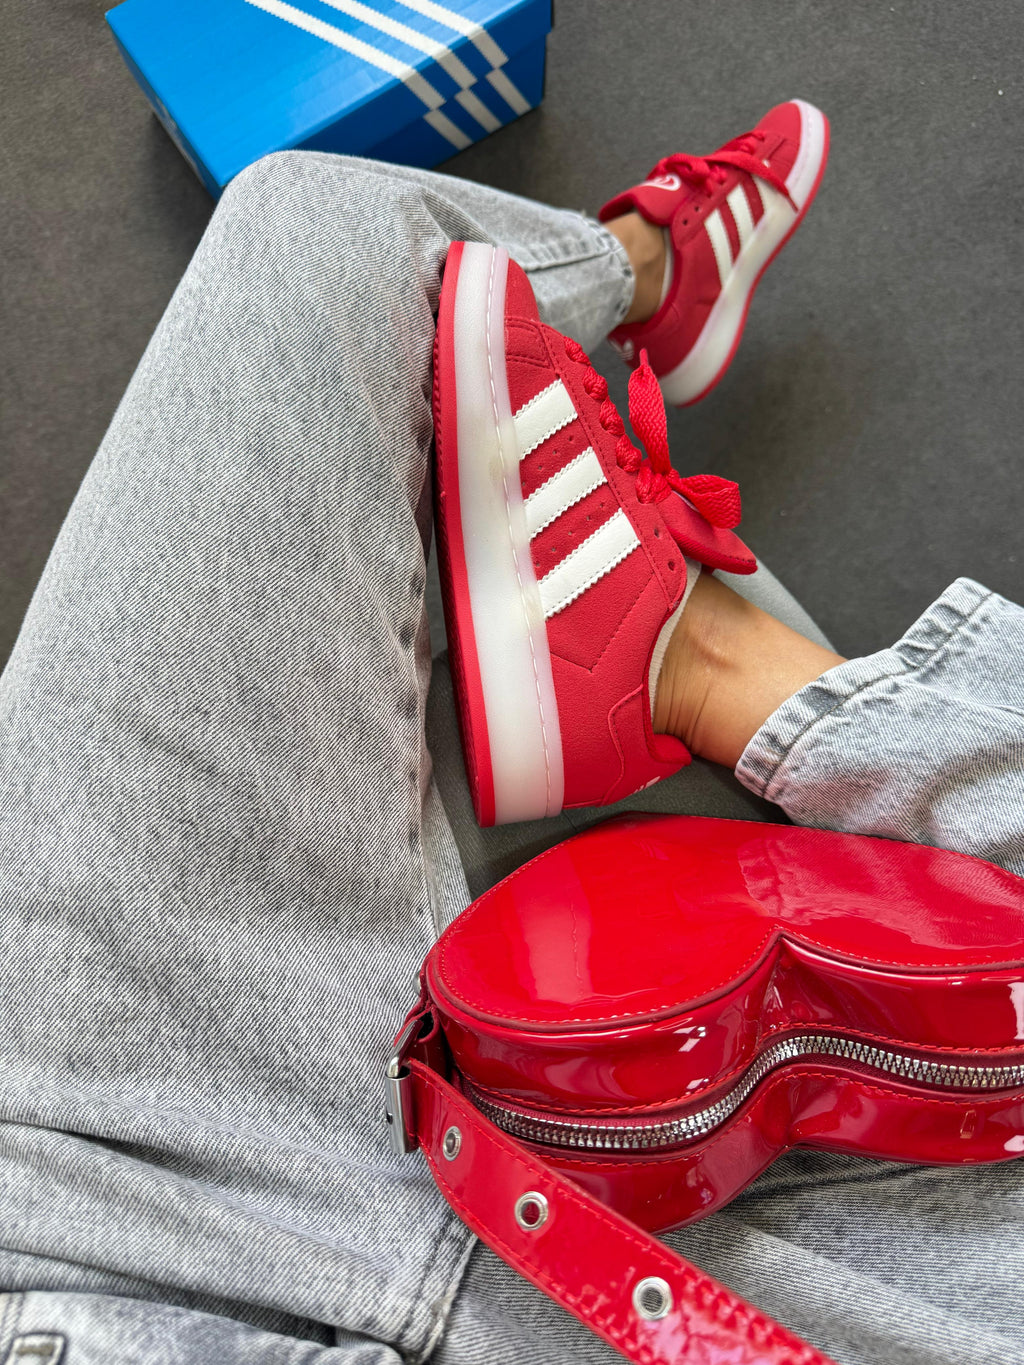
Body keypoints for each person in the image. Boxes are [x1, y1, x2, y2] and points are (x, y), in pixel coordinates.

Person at [0, 99, 1021, 1365]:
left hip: (63, 1206)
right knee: (397, 297)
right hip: (571, 1242)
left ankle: (676, 586)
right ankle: (648, 297)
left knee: (326, 240)